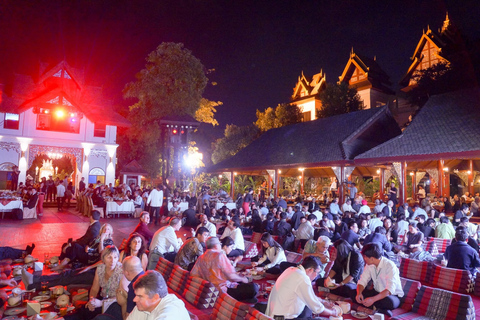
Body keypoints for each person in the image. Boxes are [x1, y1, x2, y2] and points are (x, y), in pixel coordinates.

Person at [266, 256, 341, 319]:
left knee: (307, 309)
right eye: (317, 272)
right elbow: (317, 308)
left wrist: (323, 302)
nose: (316, 276)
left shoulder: (291, 269)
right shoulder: (302, 278)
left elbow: (309, 297)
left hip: (273, 314)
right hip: (282, 318)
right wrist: (333, 312)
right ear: (310, 270)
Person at [63, 246, 123, 320]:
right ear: (103, 258)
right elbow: (94, 288)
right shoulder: (100, 268)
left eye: (115, 257)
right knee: (84, 310)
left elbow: (122, 295)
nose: (112, 260)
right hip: (102, 298)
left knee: (95, 315)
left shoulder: (121, 270)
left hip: (114, 302)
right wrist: (91, 300)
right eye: (109, 257)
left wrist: (102, 302)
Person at [191, 237, 258, 303]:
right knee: (253, 288)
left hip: (208, 290)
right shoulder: (219, 256)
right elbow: (231, 277)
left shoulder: (201, 257)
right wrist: (243, 279)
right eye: (219, 244)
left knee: (244, 285)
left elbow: (193, 274)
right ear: (216, 245)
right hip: (222, 292)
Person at [350, 243, 404, 316]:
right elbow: (362, 280)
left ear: (372, 258)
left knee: (389, 302)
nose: (364, 259)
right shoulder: (369, 265)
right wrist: (359, 293)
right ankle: (378, 309)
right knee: (353, 293)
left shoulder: (390, 266)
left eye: (365, 257)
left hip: (392, 296)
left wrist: (373, 299)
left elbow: (389, 290)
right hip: (376, 293)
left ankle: (373, 306)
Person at [94, 256, 145, 320]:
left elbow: (127, 318)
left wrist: (124, 304)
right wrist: (126, 297)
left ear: (126, 272)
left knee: (100, 318)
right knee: (115, 306)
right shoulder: (144, 276)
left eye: (123, 271)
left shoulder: (134, 287)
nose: (122, 273)